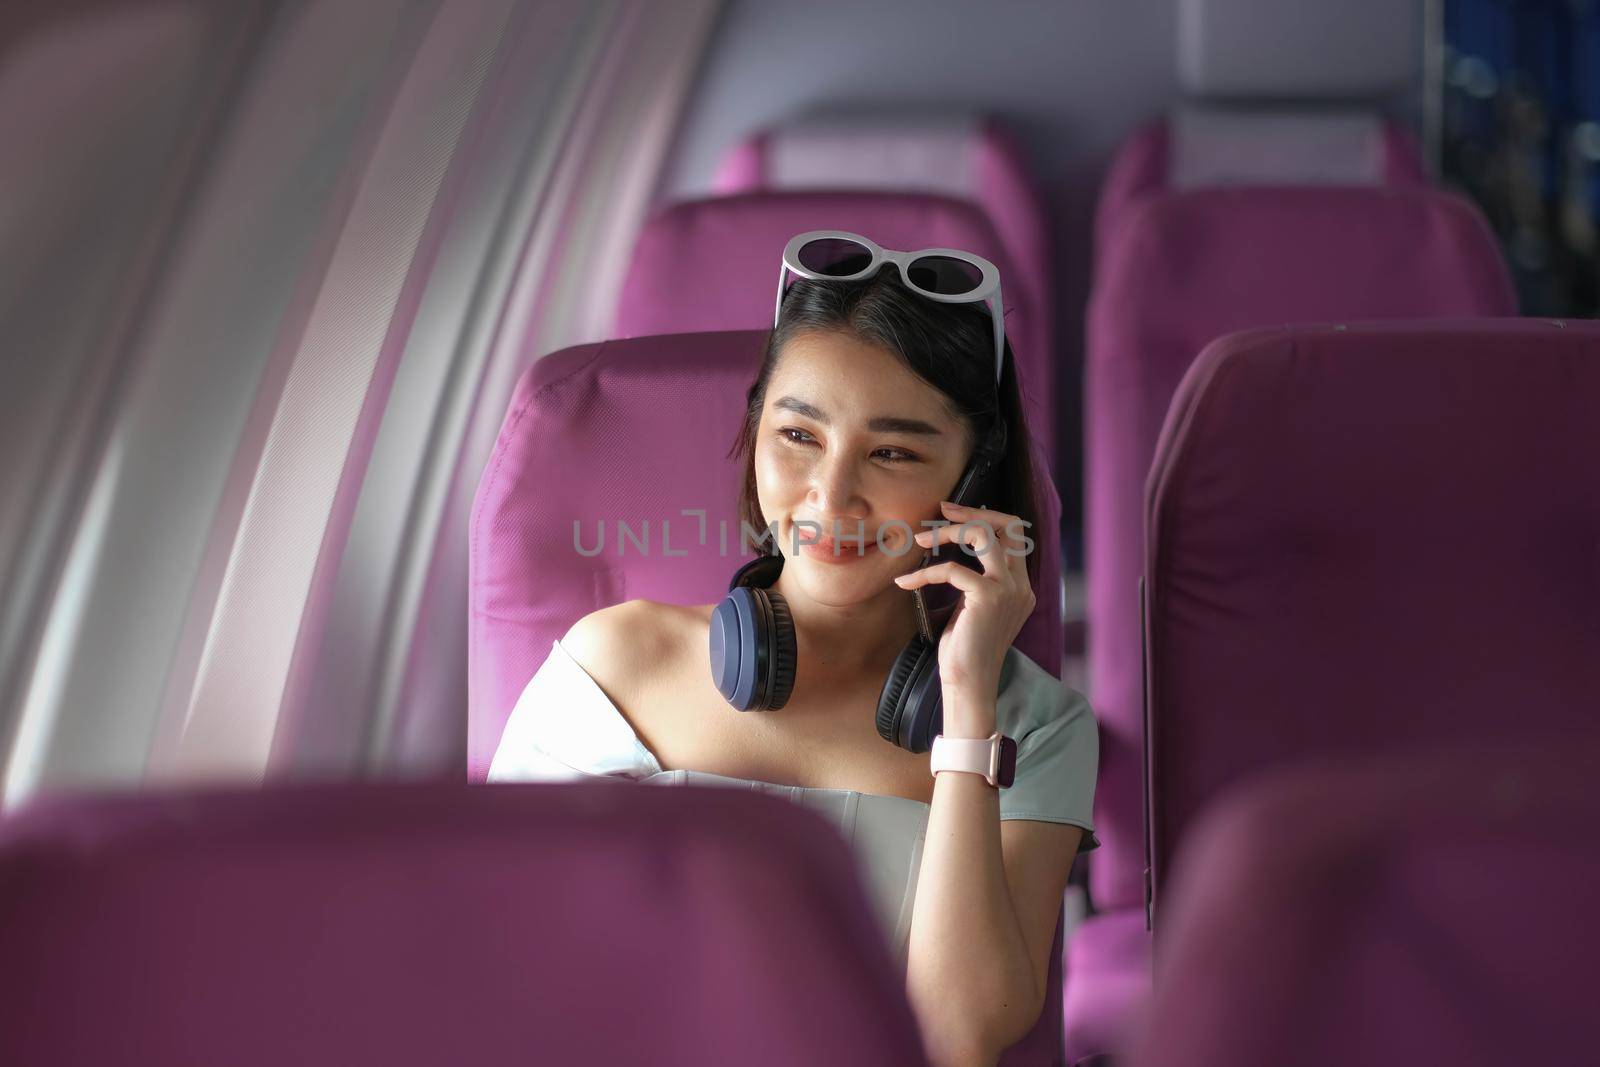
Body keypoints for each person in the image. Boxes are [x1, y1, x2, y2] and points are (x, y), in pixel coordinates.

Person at [489, 232, 1098, 1067]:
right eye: (799, 436)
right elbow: (506, 981)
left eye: (893, 451)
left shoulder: (1038, 726)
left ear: (971, 473)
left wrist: (967, 700)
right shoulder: (614, 670)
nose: (831, 493)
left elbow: (958, 1038)